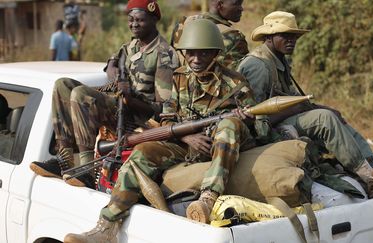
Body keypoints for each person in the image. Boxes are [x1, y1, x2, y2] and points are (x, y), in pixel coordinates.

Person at [63, 19, 270, 242]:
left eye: (203, 54)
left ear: (215, 53)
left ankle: (208, 199)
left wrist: (247, 120)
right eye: (190, 53)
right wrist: (187, 136)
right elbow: (167, 118)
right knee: (141, 153)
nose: (196, 59)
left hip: (224, 144)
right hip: (186, 143)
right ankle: (107, 226)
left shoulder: (236, 83)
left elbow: (262, 130)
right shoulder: (179, 77)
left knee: (230, 125)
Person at [237, 11, 373, 198]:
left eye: (294, 36)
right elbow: (255, 120)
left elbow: (292, 101)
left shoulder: (278, 61)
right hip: (265, 134)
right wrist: (303, 108)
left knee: (333, 114)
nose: (292, 40)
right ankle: (372, 179)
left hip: (281, 121)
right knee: (324, 118)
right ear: (269, 37)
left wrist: (316, 107)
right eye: (285, 35)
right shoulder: (258, 66)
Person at [31, 0, 178, 188]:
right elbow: (113, 60)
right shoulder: (131, 46)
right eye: (130, 19)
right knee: (62, 85)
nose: (134, 24)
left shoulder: (164, 54)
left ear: (153, 20)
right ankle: (64, 160)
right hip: (118, 107)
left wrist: (130, 99)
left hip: (136, 118)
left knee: (81, 94)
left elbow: (162, 109)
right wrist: (113, 71)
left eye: (140, 20)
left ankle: (87, 170)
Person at [173, 0, 248, 70]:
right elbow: (238, 75)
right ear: (220, 4)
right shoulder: (234, 37)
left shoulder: (182, 25)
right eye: (237, 4)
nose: (241, 9)